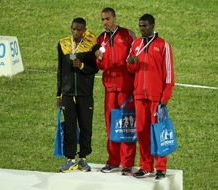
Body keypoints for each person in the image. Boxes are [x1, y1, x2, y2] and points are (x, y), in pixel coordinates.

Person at [127, 13, 174, 180]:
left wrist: (165, 97)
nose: (141, 28)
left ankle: (161, 168)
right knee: (141, 131)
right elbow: (131, 70)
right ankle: (146, 166)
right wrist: (131, 64)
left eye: (144, 26)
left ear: (152, 25)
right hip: (140, 95)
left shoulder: (163, 46)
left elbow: (169, 75)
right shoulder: (136, 44)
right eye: (140, 26)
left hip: (156, 98)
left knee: (158, 132)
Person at [94, 7, 136, 175]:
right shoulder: (100, 39)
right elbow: (101, 66)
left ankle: (127, 164)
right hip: (110, 89)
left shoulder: (127, 35)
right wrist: (99, 59)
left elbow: (135, 61)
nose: (105, 22)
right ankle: (113, 161)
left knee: (126, 125)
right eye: (103, 19)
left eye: (108, 19)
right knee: (111, 125)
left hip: (126, 88)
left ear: (114, 18)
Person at [57, 17, 99, 172]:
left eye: (79, 30)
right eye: (73, 29)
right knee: (69, 127)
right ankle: (70, 159)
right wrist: (58, 94)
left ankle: (83, 158)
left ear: (84, 30)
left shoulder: (90, 45)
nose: (76, 32)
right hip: (68, 94)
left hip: (85, 93)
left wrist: (82, 66)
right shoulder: (63, 44)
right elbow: (60, 70)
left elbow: (95, 69)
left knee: (85, 126)